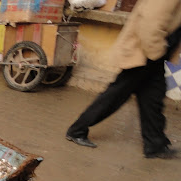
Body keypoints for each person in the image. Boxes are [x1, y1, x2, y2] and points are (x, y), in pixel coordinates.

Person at [65, 0, 181, 159]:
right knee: (116, 94)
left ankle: (155, 144)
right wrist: (156, 53)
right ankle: (77, 130)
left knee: (152, 98)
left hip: (153, 54)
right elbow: (150, 23)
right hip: (144, 52)